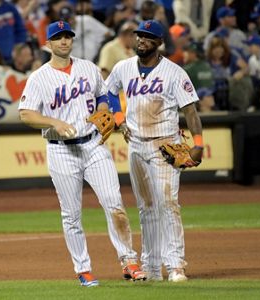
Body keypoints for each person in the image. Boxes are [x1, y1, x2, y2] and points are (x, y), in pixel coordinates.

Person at [18, 20, 147, 287]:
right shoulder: (39, 78)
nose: (64, 41)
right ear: (48, 44)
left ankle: (129, 262)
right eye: (58, 37)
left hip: (93, 144)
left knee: (115, 205)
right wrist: (54, 122)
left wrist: (103, 113)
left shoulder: (88, 68)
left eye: (68, 37)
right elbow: (26, 113)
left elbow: (104, 95)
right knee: (72, 215)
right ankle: (83, 269)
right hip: (61, 151)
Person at [106, 20, 203, 282]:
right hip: (136, 145)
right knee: (146, 207)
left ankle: (175, 266)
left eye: (148, 37)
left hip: (165, 146)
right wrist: (118, 117)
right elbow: (109, 92)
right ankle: (150, 266)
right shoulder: (123, 68)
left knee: (168, 203)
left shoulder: (174, 73)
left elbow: (190, 110)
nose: (141, 40)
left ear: (159, 43)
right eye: (139, 35)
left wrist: (199, 144)